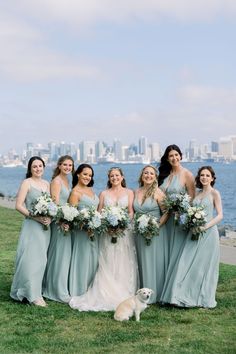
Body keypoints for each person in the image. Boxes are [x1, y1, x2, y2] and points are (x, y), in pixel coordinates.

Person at [69, 167, 139, 311]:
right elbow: (99, 213)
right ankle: (106, 290)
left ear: (122, 176)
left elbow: (131, 212)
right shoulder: (103, 194)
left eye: (117, 175)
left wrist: (123, 223)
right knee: (107, 260)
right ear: (109, 178)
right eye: (112, 176)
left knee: (123, 260)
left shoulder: (129, 192)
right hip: (107, 233)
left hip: (123, 233)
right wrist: (106, 225)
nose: (114, 178)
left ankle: (123, 289)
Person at [161, 166, 223, 308]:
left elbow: (220, 215)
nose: (204, 177)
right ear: (199, 178)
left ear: (212, 178)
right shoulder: (197, 194)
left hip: (208, 234)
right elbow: (189, 209)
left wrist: (205, 226)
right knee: (185, 263)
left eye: (207, 175)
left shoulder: (215, 193)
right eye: (202, 175)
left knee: (204, 267)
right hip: (193, 231)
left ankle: (203, 299)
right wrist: (181, 215)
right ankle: (179, 296)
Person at [10, 156, 51, 307]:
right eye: (35, 166)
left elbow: (51, 205)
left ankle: (36, 290)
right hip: (32, 226)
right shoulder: (27, 183)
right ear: (30, 169)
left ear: (44, 167)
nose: (38, 169)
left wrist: (49, 219)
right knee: (30, 259)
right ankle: (32, 295)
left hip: (45, 228)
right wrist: (36, 217)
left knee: (41, 260)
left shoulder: (47, 184)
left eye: (40, 166)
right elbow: (18, 205)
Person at [158, 144, 195, 302]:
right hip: (164, 220)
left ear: (181, 156)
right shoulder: (164, 174)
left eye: (176, 155)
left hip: (178, 220)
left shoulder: (187, 174)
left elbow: (192, 197)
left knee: (177, 255)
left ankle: (176, 293)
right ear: (167, 158)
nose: (174, 158)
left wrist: (182, 211)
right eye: (171, 156)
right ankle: (163, 289)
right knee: (165, 254)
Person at [133, 165, 168, 303]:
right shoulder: (136, 192)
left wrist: (155, 227)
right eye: (146, 173)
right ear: (142, 176)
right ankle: (142, 293)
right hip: (140, 233)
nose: (148, 175)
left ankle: (156, 294)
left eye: (151, 174)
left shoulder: (159, 193)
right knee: (141, 261)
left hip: (155, 233)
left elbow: (166, 212)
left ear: (155, 177)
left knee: (154, 261)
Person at [43, 155, 74, 303]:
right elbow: (54, 204)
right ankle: (56, 291)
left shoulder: (67, 180)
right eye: (65, 165)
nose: (68, 167)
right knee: (59, 255)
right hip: (59, 223)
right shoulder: (56, 181)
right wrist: (61, 222)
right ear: (59, 166)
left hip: (66, 222)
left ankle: (60, 287)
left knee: (64, 256)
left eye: (70, 165)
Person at [68, 164, 99, 296]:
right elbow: (71, 215)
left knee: (93, 259)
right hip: (81, 232)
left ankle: (91, 287)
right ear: (78, 174)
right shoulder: (75, 192)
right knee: (83, 259)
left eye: (90, 175)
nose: (87, 177)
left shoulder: (91, 190)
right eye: (85, 174)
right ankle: (79, 288)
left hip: (94, 231)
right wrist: (85, 225)